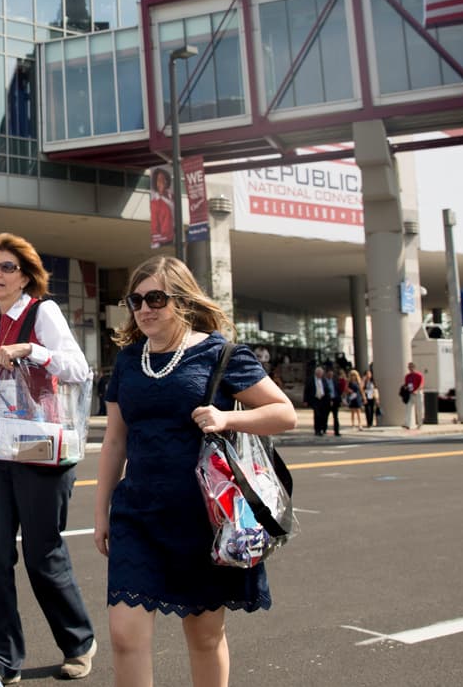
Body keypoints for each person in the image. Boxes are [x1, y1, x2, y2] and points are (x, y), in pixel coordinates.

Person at [94, 256, 296, 687]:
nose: (144, 308)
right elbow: (114, 442)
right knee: (124, 635)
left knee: (204, 635)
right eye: (136, 300)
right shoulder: (129, 362)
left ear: (181, 301)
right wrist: (101, 514)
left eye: (156, 298)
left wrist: (228, 419)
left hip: (203, 517)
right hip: (138, 512)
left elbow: (284, 413)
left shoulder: (218, 353)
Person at [0, 233, 97, 683]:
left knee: (41, 553)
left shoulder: (42, 312)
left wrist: (31, 350)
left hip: (41, 448)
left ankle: (79, 642)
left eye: (7, 267)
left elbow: (79, 368)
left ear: (26, 275)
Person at [304, 365, 332, 437]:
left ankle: (323, 428)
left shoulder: (323, 380)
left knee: (323, 415)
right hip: (315, 399)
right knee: (317, 415)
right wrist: (305, 400)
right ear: (316, 373)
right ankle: (317, 430)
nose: (320, 375)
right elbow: (306, 390)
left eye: (321, 373)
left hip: (323, 399)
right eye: (319, 373)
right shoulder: (311, 380)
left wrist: (329, 398)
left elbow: (327, 389)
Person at [149, 167, 174, 249]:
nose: (164, 182)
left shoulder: (174, 197)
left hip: (178, 235)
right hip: (166, 240)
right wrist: (156, 242)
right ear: (156, 183)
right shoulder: (154, 203)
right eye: (160, 179)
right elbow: (154, 225)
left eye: (165, 179)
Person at [401, 361, 425, 429]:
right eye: (409, 367)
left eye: (411, 367)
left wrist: (416, 390)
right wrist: (405, 388)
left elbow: (421, 385)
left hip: (418, 393)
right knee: (408, 408)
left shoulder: (419, 375)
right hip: (410, 394)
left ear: (414, 367)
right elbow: (406, 384)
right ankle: (407, 424)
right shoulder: (407, 376)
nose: (410, 369)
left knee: (419, 409)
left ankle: (420, 424)